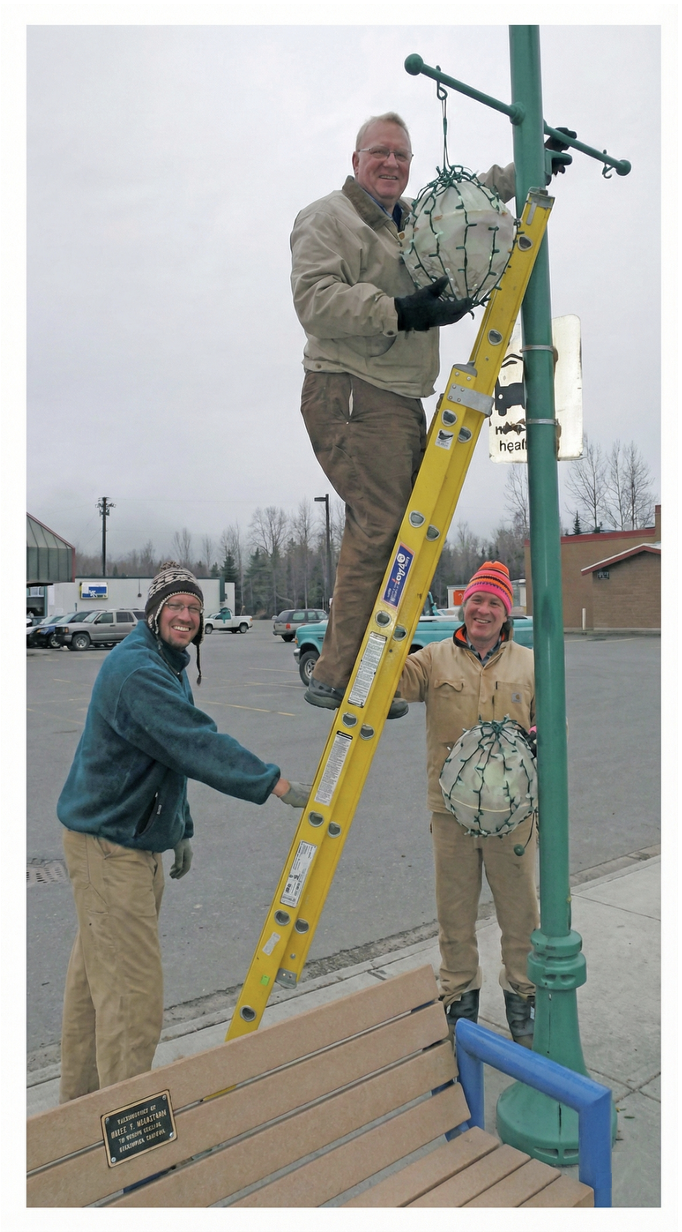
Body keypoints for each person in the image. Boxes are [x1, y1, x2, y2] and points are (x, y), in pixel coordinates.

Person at [290, 112, 515, 719]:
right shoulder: (326, 218)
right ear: (356, 159)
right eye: (380, 153)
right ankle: (340, 676)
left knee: (409, 533)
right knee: (383, 523)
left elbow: (463, 206)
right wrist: (399, 310)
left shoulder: (407, 221)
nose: (392, 164)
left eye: (403, 156)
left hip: (398, 392)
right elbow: (314, 301)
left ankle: (370, 673)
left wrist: (524, 171)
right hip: (351, 389)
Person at [57, 562, 309, 1102]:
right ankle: (127, 1140)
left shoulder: (165, 663)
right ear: (154, 611)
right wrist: (277, 786)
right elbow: (195, 743)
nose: (186, 616)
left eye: (194, 608)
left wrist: (180, 829)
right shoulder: (138, 672)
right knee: (131, 1001)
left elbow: (165, 759)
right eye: (175, 605)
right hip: (110, 850)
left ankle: (76, 1124)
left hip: (126, 842)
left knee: (93, 991)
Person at [398, 560, 539, 1048]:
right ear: (463, 605)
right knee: (454, 916)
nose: (482, 609)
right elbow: (392, 682)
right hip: (451, 814)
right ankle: (459, 1006)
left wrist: (539, 740)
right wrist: (389, 623)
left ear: (507, 613)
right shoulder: (432, 659)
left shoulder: (530, 664)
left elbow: (554, 732)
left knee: (521, 915)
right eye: (476, 600)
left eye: (494, 603)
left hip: (514, 819)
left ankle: (524, 1003)